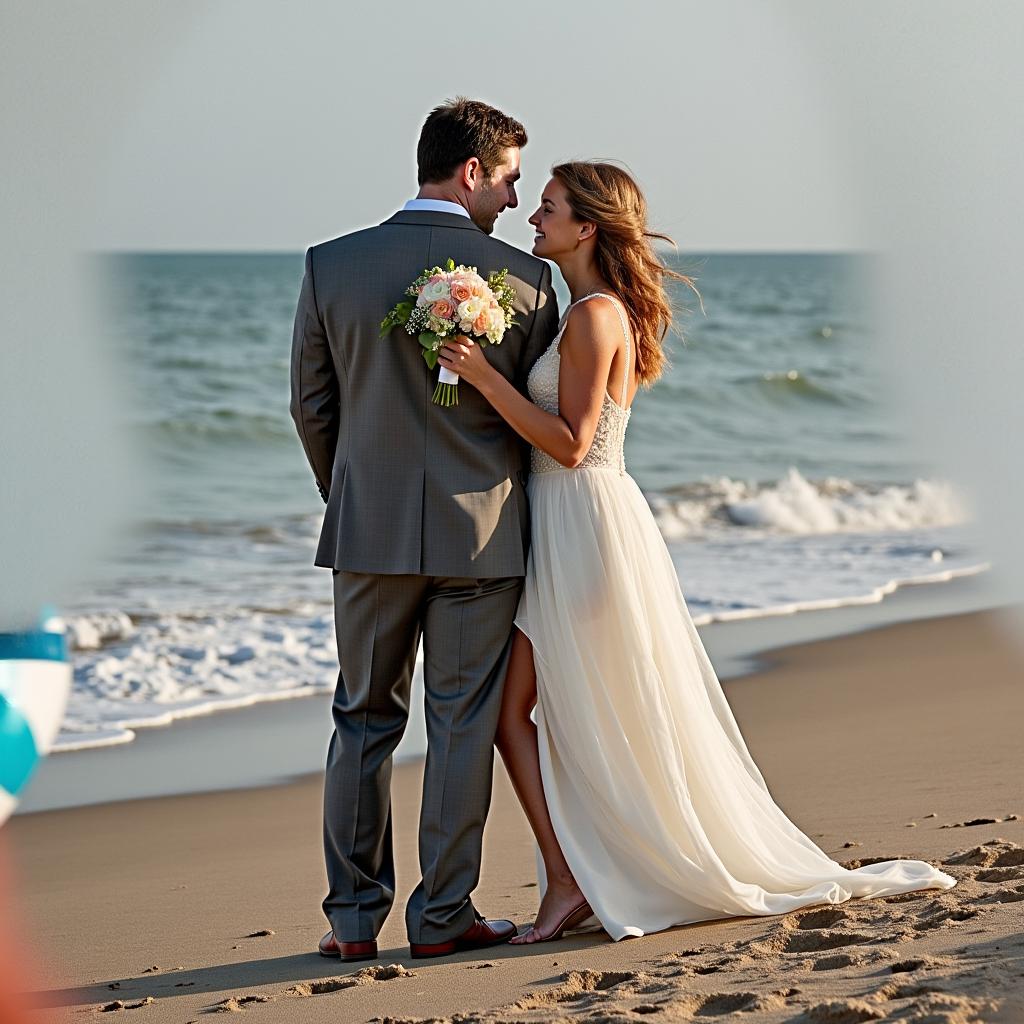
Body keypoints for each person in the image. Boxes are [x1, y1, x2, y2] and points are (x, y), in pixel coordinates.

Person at [437, 160, 957, 945]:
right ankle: (585, 871)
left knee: (526, 712)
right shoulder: (583, 311)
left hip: (585, 521)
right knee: (583, 711)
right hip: (575, 523)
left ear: (586, 228)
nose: (531, 219)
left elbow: (574, 447)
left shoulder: (592, 318)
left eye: (546, 209)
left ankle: (573, 879)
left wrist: (481, 377)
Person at [289, 97, 559, 961]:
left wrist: (355, 491)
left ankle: (352, 924)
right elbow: (535, 417)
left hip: (368, 534)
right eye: (511, 178)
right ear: (472, 171)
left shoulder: (332, 265)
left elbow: (310, 405)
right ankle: (443, 919)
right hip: (481, 538)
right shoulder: (527, 281)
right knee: (460, 724)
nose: (516, 202)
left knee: (362, 718)